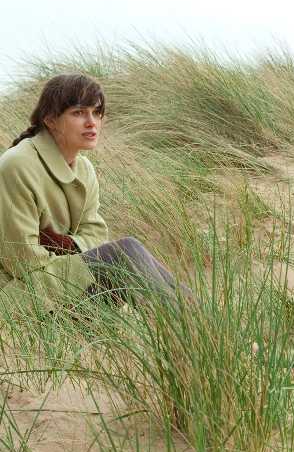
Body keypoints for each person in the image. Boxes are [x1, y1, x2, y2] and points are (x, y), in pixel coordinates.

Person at [0, 73, 190, 316]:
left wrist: (65, 244)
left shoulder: (84, 168)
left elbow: (96, 233)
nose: (92, 122)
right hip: (23, 295)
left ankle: (195, 322)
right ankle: (190, 326)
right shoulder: (17, 165)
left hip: (62, 278)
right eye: (78, 113)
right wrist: (78, 255)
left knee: (129, 255)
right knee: (124, 252)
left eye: (97, 112)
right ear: (50, 120)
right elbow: (22, 261)